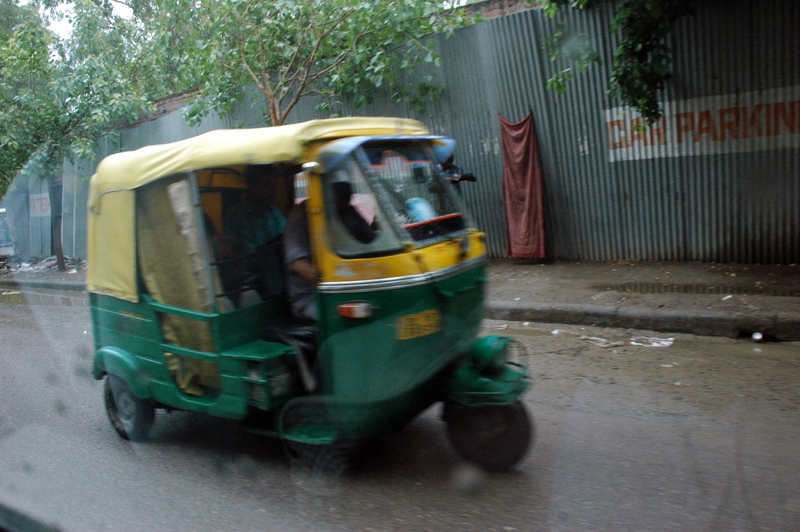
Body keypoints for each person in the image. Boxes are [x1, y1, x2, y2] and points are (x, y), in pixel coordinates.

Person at [224, 164, 286, 294]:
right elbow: (247, 256)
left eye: (275, 185)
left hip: (280, 275)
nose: (273, 189)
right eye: (267, 184)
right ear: (252, 186)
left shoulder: (274, 212)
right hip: (253, 283)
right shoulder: (236, 216)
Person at [283, 201, 319, 321]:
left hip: (330, 294)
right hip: (309, 298)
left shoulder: (344, 211)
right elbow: (298, 265)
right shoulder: (299, 217)